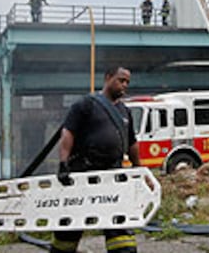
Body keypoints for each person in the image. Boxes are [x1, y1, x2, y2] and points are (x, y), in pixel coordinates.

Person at [51, 67, 141, 253]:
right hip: (84, 176)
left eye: (127, 82)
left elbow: (132, 142)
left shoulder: (125, 111)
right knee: (70, 226)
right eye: (121, 80)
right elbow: (68, 133)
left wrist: (139, 169)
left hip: (113, 177)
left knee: (119, 225)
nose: (124, 85)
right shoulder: (85, 105)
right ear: (108, 78)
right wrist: (63, 164)